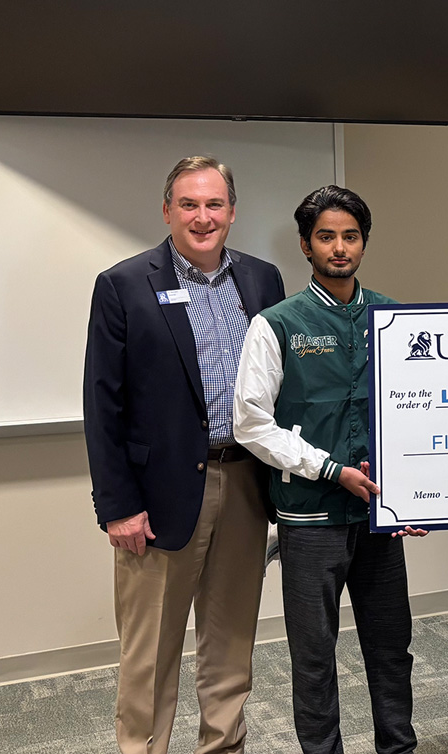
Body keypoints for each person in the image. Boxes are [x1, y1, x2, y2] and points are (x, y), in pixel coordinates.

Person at [83, 156, 285, 753]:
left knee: (230, 649)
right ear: (167, 210)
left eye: (215, 204)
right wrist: (117, 506)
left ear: (231, 211)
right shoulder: (123, 285)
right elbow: (103, 404)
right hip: (160, 498)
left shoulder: (262, 280)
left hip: (246, 487)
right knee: (149, 658)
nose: (203, 217)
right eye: (190, 204)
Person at [233, 185, 426, 754]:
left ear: (363, 242)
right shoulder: (276, 324)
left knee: (392, 648)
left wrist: (420, 495)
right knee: (314, 657)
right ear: (305, 245)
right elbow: (251, 424)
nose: (339, 248)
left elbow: (422, 412)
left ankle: (398, 747)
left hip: (378, 518)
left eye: (350, 236)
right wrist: (329, 469)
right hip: (309, 517)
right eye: (326, 237)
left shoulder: (392, 316)